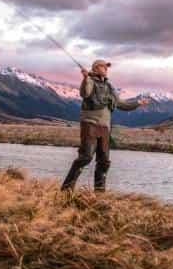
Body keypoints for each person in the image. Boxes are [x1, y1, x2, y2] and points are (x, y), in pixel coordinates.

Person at [61, 59, 148, 191]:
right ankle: (67, 188)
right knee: (86, 157)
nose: (106, 69)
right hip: (90, 124)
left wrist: (138, 103)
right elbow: (85, 93)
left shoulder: (110, 87)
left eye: (107, 68)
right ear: (96, 68)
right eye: (104, 67)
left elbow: (122, 104)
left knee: (104, 161)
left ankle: (100, 192)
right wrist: (85, 78)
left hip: (105, 128)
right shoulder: (89, 81)